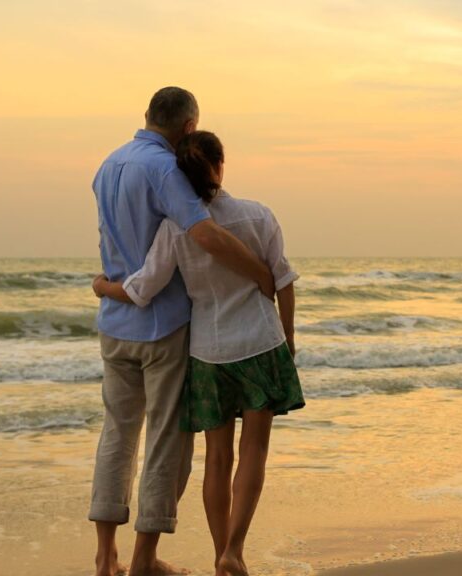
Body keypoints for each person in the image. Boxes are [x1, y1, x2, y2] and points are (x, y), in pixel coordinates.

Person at [93, 130, 304, 576]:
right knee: (254, 451)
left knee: (217, 458)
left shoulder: (175, 228)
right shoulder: (258, 215)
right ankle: (235, 551)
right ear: (221, 165)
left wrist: (103, 288)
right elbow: (282, 281)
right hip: (261, 342)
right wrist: (287, 339)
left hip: (208, 351)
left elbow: (143, 288)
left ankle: (219, 552)